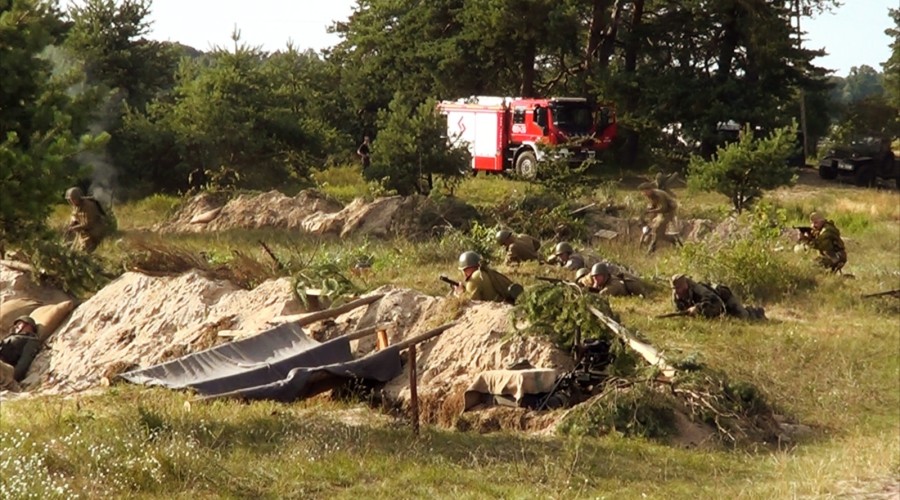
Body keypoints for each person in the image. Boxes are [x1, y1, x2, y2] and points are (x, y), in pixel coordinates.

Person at [669, 274, 765, 320]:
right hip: (713, 304)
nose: (677, 291)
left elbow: (717, 303)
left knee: (744, 316)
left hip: (723, 297)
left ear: (685, 285)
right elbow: (680, 311)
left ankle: (756, 312)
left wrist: (698, 308)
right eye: (674, 288)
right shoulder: (676, 295)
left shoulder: (699, 289)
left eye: (679, 288)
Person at [456, 251, 522, 304]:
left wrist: (459, 294)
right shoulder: (489, 272)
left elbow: (470, 305)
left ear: (465, 269)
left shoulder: (475, 278)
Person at [0, 316, 41, 391]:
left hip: (6, 369)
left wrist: (12, 378)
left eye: (19, 324)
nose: (16, 326)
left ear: (29, 325)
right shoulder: (12, 336)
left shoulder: (32, 340)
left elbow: (25, 361)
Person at [639, 182, 681, 253]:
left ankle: (650, 251)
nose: (644, 194)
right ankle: (674, 240)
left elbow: (663, 208)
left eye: (645, 192)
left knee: (657, 231)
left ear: (649, 190)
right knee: (660, 234)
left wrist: (651, 211)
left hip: (668, 211)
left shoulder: (659, 195)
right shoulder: (651, 196)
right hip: (661, 213)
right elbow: (653, 206)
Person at [65, 187, 109, 253]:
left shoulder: (89, 206)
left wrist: (74, 228)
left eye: (73, 199)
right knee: (75, 250)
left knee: (84, 253)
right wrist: (73, 222)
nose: (72, 201)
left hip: (94, 233)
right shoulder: (76, 206)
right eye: (70, 200)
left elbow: (88, 224)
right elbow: (74, 215)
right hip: (85, 233)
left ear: (78, 198)